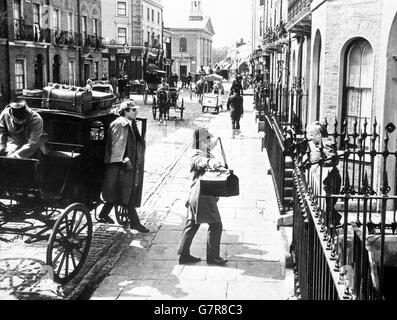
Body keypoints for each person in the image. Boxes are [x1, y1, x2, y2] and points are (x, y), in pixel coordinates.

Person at [177, 128, 228, 266]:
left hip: (196, 194)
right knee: (216, 225)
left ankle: (183, 255)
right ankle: (213, 257)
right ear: (201, 141)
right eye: (207, 139)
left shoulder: (203, 149)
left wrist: (216, 141)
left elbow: (209, 148)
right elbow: (201, 161)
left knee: (192, 224)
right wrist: (213, 163)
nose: (209, 142)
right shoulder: (196, 154)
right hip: (203, 195)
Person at [98, 101, 149, 233]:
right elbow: (116, 147)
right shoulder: (120, 124)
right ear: (125, 112)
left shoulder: (129, 123)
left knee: (119, 192)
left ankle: (103, 214)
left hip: (126, 165)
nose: (136, 112)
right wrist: (126, 161)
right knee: (127, 193)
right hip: (120, 166)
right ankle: (135, 223)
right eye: (133, 110)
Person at [302, 121, 342, 226]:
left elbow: (332, 160)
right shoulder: (314, 144)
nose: (310, 138)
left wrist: (319, 161)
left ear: (319, 135)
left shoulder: (327, 143)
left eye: (312, 135)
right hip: (320, 176)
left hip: (328, 178)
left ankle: (332, 222)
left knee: (326, 203)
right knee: (319, 203)